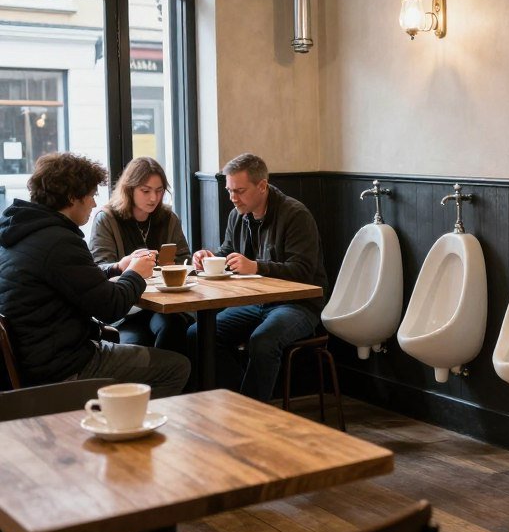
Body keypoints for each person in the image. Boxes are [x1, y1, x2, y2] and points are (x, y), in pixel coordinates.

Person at [0, 152, 189, 397]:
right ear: (72, 197)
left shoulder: (23, 232)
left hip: (36, 361)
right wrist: (135, 273)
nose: (93, 203)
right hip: (64, 367)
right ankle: (125, 419)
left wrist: (116, 267)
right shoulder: (60, 241)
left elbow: (74, 278)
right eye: (91, 195)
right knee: (177, 367)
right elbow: (111, 308)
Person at [188, 153, 327, 402]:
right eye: (229, 190)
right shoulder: (237, 214)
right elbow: (227, 252)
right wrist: (207, 258)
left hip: (299, 304)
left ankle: (251, 414)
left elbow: (302, 271)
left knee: (263, 342)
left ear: (262, 186)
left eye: (239, 191)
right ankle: (238, 402)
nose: (233, 198)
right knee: (198, 334)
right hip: (255, 301)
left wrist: (255, 267)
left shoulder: (295, 214)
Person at [89, 156, 193, 353]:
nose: (153, 198)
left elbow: (184, 260)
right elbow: (99, 269)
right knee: (134, 343)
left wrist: (175, 266)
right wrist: (124, 265)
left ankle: (172, 372)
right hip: (127, 309)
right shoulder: (107, 219)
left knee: (175, 327)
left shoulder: (169, 218)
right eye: (146, 191)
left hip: (164, 304)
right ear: (129, 189)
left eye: (159, 191)